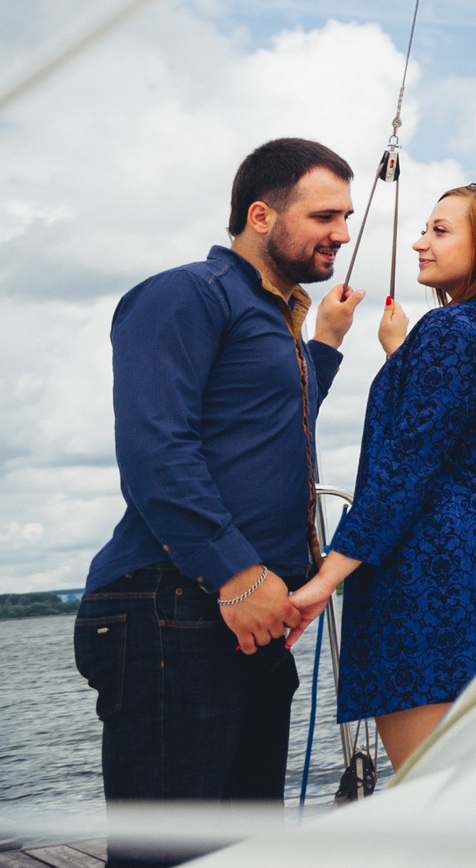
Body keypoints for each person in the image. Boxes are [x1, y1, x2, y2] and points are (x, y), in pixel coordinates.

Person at [74, 138, 362, 810]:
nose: (342, 235)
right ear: (261, 217)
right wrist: (238, 572)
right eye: (324, 217)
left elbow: (270, 421)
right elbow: (156, 448)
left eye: (346, 217)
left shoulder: (274, 316)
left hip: (246, 615)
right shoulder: (185, 295)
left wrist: (324, 344)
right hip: (173, 606)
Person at [288, 184, 476, 770]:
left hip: (429, 579)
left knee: (428, 788)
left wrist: (322, 581)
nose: (418, 243)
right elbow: (456, 431)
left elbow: (406, 468)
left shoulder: (451, 331)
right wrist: (400, 355)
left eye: (439, 231)